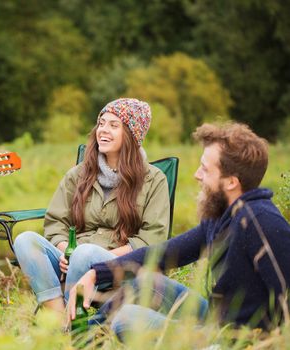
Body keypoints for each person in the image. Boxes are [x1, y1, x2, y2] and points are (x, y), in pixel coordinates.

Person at [68, 122, 290, 338]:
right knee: (147, 283)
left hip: (237, 338)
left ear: (231, 182)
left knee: (128, 319)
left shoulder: (262, 222)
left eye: (205, 169)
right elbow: (163, 254)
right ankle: (83, 336)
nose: (196, 175)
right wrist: (96, 273)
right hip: (216, 318)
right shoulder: (222, 215)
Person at [14, 98, 170, 313]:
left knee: (85, 253)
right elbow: (55, 223)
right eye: (102, 123)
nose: (103, 130)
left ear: (133, 135)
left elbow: (152, 239)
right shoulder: (79, 174)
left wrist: (84, 255)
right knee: (25, 240)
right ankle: (58, 318)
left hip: (119, 262)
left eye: (114, 125)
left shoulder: (154, 180)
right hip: (73, 256)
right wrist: (65, 252)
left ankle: (75, 321)